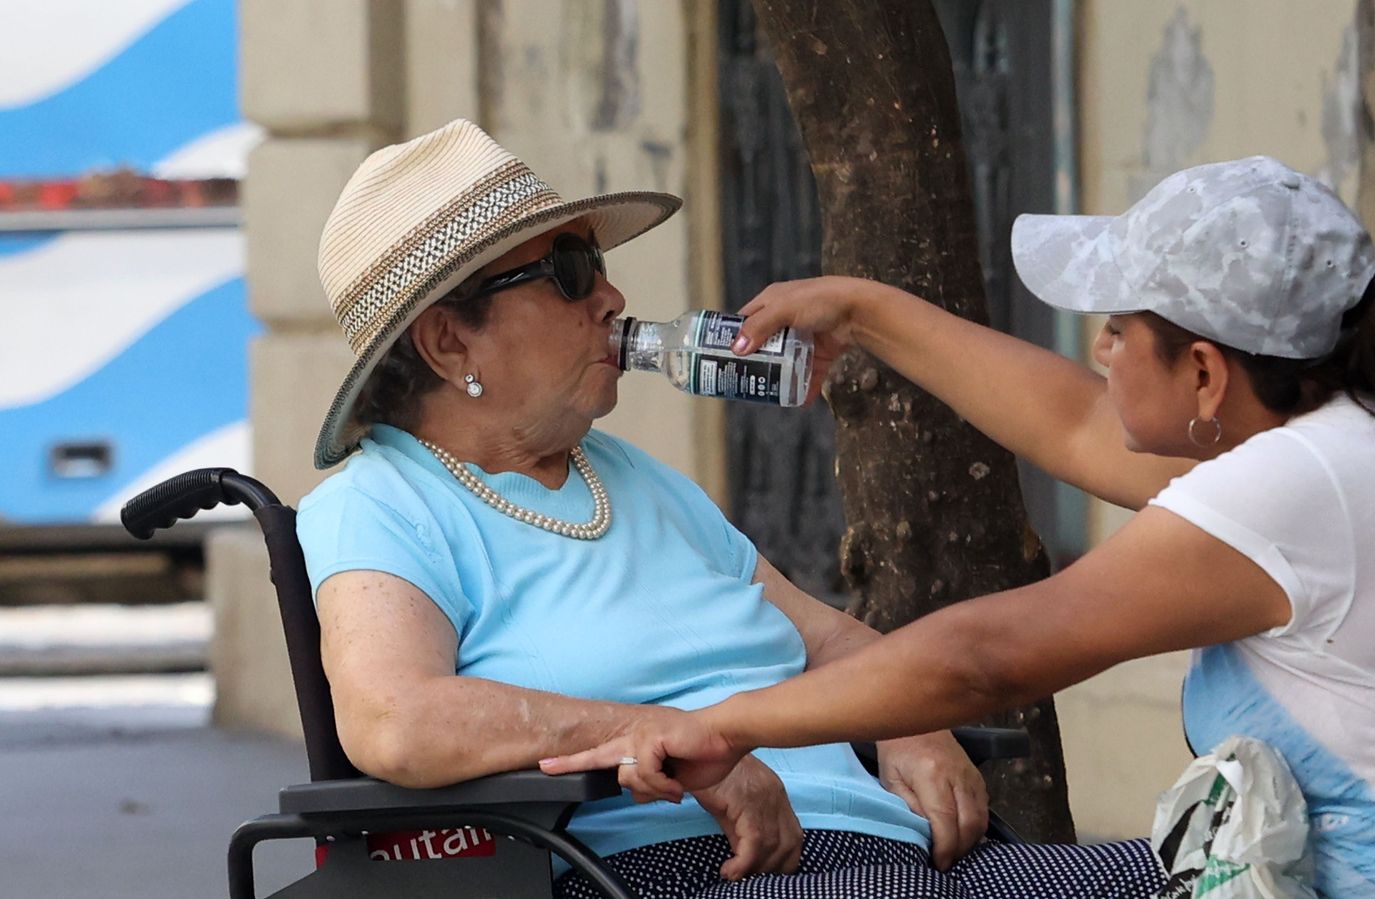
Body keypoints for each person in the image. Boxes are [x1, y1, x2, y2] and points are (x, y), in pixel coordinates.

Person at [543, 157, 1375, 898]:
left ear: (1202, 371)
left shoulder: (1290, 489)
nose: (1097, 348)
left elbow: (990, 653)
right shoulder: (1333, 433)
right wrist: (864, 311)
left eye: (1119, 327)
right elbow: (1077, 422)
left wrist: (725, 724)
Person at [296, 118, 1163, 899]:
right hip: (681, 865)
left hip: (878, 848)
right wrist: (662, 737)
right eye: (567, 272)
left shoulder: (627, 477)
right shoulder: (381, 502)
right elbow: (394, 719)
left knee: (1199, 875)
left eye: (597, 264)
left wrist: (915, 720)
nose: (612, 296)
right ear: (450, 341)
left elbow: (827, 637)